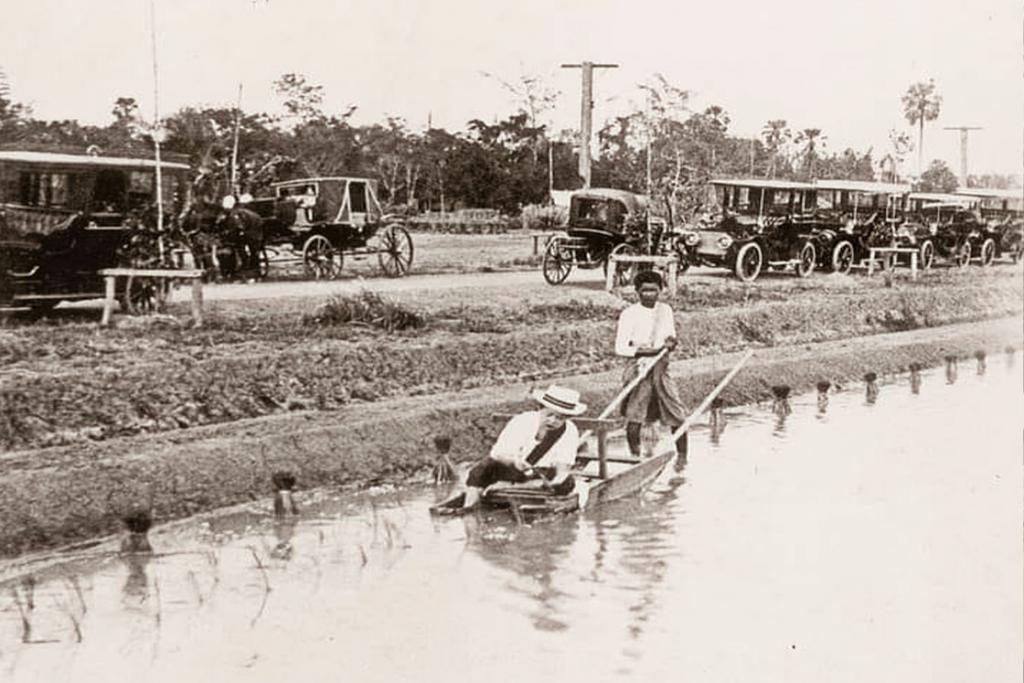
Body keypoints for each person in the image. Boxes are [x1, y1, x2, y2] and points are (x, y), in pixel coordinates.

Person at [454, 384, 587, 509]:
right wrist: (515, 462)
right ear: (540, 408)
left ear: (567, 418)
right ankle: (469, 507)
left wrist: (556, 481)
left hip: (540, 476)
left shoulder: (569, 431)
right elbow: (498, 453)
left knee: (567, 483)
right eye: (549, 415)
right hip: (512, 469)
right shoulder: (522, 421)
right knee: (482, 469)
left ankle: (508, 488)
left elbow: (562, 468)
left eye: (560, 418)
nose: (552, 421)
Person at [615, 269, 689, 460]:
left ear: (660, 291)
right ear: (637, 292)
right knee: (635, 414)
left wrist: (671, 343)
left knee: (677, 412)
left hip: (660, 368)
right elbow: (621, 348)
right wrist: (649, 352)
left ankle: (682, 458)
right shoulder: (629, 314)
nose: (649, 295)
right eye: (645, 291)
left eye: (654, 290)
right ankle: (635, 457)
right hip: (639, 367)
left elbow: (670, 337)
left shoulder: (665, 311)